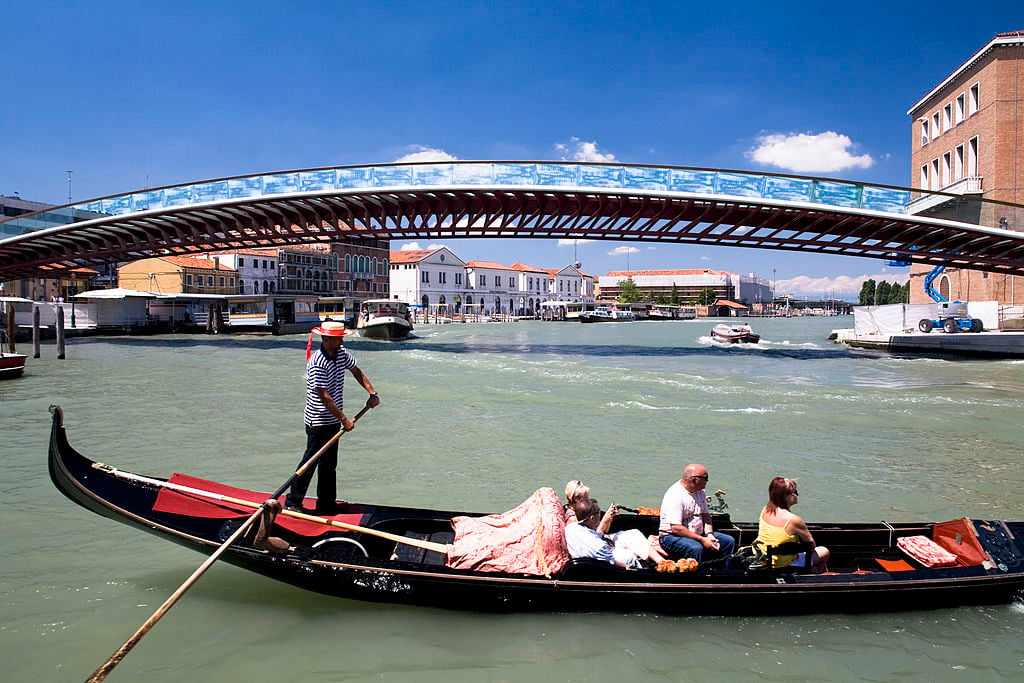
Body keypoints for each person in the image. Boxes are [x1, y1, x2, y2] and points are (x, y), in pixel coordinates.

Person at [285, 321, 380, 514]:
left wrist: (372, 393)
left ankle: (326, 503)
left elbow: (357, 372)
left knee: (329, 464)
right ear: (327, 339)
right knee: (310, 462)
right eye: (338, 338)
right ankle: (293, 502)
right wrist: (345, 419)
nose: (342, 341)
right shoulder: (317, 362)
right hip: (317, 420)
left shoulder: (342, 354)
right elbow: (325, 397)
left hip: (333, 419)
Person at [658, 464, 736, 567]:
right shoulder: (675, 495)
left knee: (728, 541)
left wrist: (709, 534)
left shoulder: (700, 491)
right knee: (696, 548)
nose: (707, 481)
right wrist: (702, 540)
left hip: (698, 534)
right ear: (694, 480)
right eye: (705, 478)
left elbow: (706, 516)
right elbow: (676, 528)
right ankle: (697, 578)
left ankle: (726, 574)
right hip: (671, 536)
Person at [755, 477, 830, 573]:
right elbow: (811, 546)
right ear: (785, 496)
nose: (797, 495)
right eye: (795, 492)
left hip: (764, 557)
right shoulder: (793, 520)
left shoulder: (766, 509)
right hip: (783, 564)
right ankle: (813, 575)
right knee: (824, 551)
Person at [565, 498, 666, 568]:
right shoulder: (599, 546)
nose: (600, 514)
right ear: (592, 518)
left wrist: (607, 520)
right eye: (599, 512)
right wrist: (630, 566)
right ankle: (654, 566)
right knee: (630, 554)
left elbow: (594, 536)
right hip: (604, 562)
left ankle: (661, 561)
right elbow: (613, 563)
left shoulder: (570, 528)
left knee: (632, 534)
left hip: (601, 548)